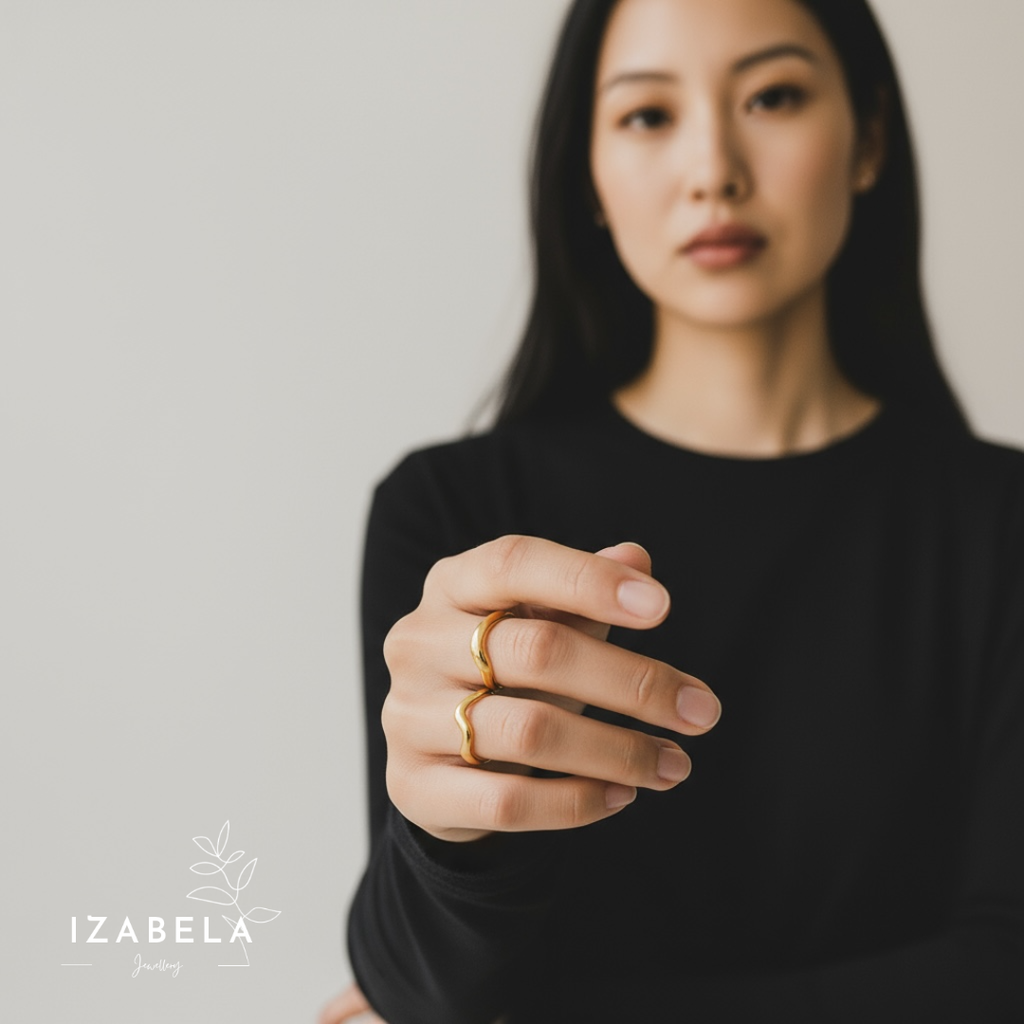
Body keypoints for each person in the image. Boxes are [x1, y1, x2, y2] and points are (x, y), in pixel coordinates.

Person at [319, 0, 1024, 1020]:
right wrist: (444, 837)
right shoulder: (457, 520)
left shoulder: (1001, 526)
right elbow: (428, 982)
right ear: (589, 178)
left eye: (773, 96)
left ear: (867, 140)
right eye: (648, 115)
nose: (713, 170)